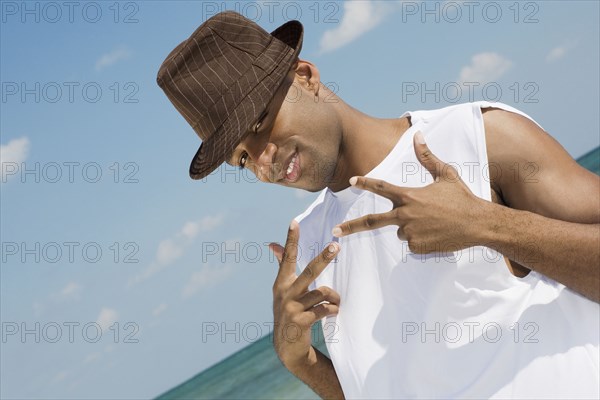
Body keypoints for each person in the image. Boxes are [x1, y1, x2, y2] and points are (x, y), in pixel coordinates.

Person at [156, 11, 600, 399]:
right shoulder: (311, 244)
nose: (263, 163)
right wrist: (301, 361)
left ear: (305, 77)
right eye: (242, 158)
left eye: (259, 122)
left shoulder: (473, 138)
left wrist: (488, 226)